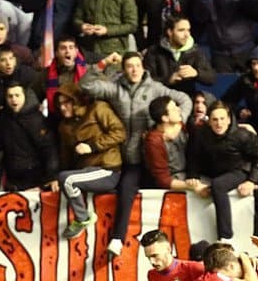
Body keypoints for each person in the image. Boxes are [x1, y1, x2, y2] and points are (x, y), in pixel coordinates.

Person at [79, 51, 191, 253]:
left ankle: (172, 245)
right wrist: (102, 63)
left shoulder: (155, 88)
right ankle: (117, 239)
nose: (134, 70)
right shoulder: (115, 89)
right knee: (125, 191)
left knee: (163, 195)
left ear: (143, 67)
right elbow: (85, 85)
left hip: (152, 153)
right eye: (129, 66)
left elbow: (184, 99)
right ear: (123, 69)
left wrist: (177, 122)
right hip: (128, 157)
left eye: (137, 65)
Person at [185, 101, 258, 241]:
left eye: (222, 119)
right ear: (209, 121)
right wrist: (194, 176)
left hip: (239, 170)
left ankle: (225, 237)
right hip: (213, 171)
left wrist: (252, 180)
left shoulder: (242, 135)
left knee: (218, 185)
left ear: (229, 120)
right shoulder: (200, 134)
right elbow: (193, 156)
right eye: (215, 120)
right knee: (206, 185)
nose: (219, 123)